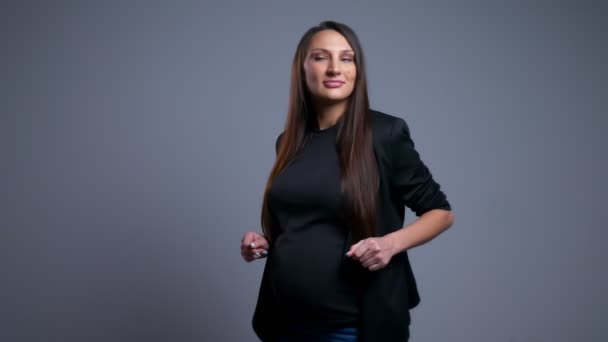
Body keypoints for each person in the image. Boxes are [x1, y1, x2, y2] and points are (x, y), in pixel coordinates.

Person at [240, 20, 454, 342]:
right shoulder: (287, 141)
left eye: (347, 57)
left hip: (350, 328)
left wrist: (389, 244)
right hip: (284, 322)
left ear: (357, 69)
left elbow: (441, 212)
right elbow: (305, 222)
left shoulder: (384, 134)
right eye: (321, 56)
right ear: (301, 67)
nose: (334, 68)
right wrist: (266, 242)